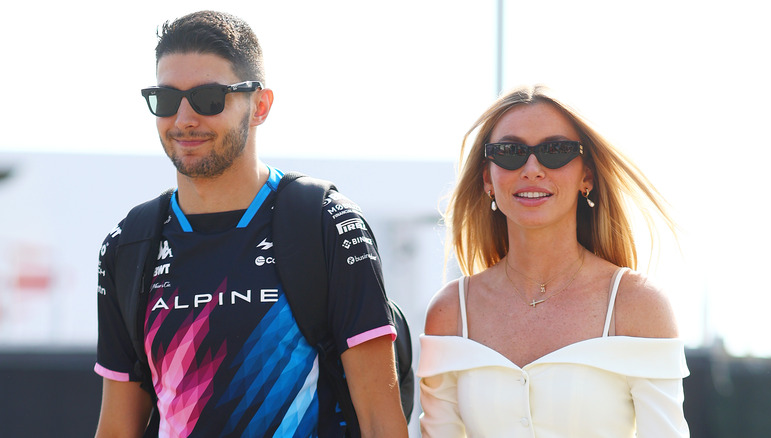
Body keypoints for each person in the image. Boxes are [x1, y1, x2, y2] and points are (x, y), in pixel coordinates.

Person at [93, 11, 408, 437]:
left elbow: (380, 420)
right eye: (166, 99)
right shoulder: (128, 244)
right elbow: (117, 428)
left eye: (208, 98)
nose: (184, 119)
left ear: (260, 105)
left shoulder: (326, 222)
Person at [418, 85, 690, 437]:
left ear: (587, 176)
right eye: (510, 151)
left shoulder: (637, 305)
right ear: (488, 178)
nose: (532, 168)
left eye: (556, 151)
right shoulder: (451, 312)